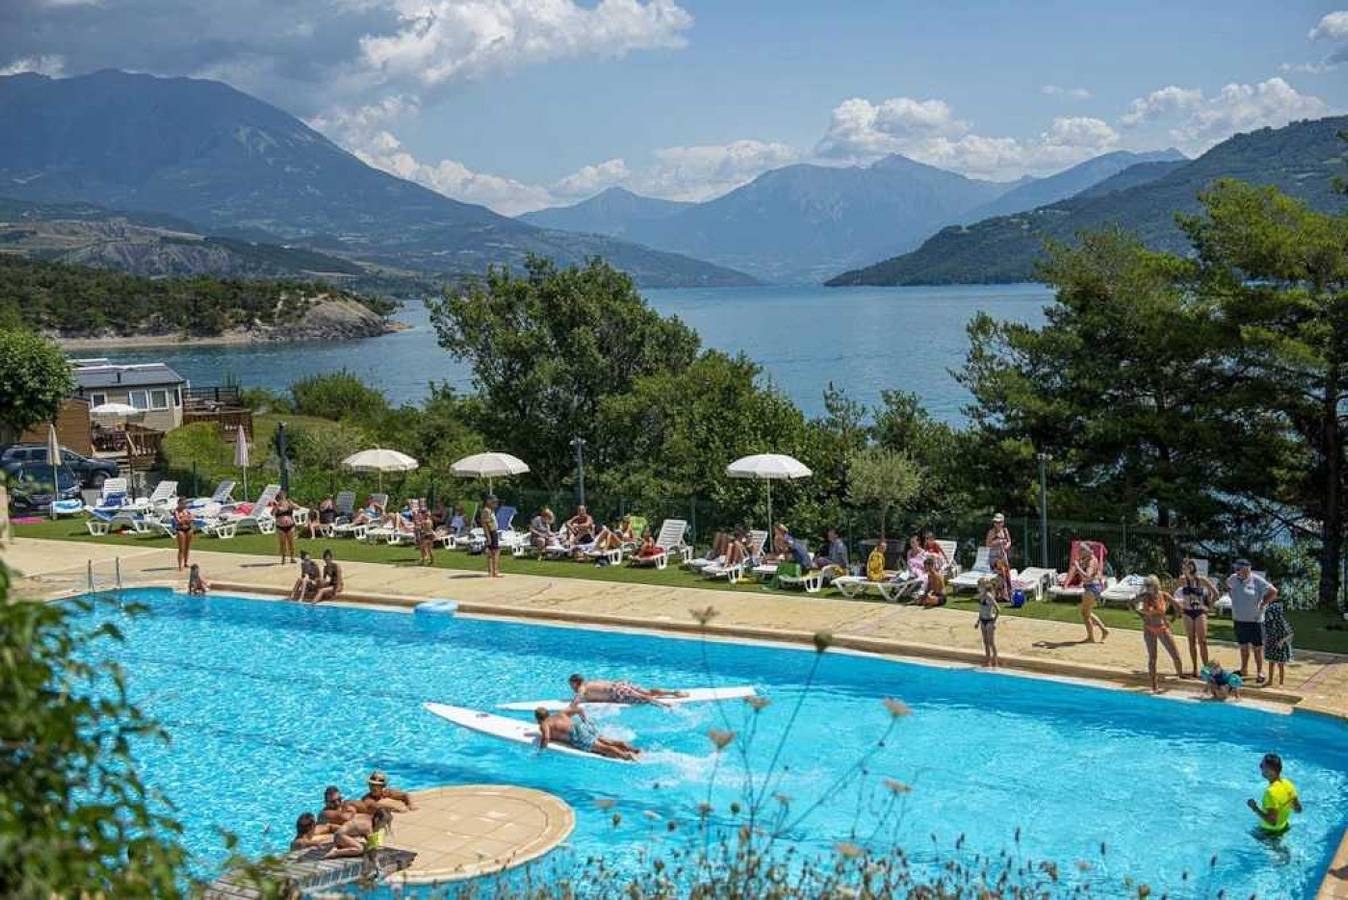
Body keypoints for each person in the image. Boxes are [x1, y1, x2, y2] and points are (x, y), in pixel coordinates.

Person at [1226, 559, 1277, 684]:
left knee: (1257, 648)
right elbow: (1228, 586)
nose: (1236, 570)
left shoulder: (1257, 580)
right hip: (1239, 619)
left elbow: (1273, 592)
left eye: (1239, 568)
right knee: (1243, 647)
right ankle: (1244, 669)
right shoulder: (1233, 579)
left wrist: (1264, 602)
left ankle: (1260, 671)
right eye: (1236, 568)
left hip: (1255, 620)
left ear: (1247, 568)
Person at [534, 705, 640, 760]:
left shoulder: (544, 724)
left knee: (603, 748)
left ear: (538, 719)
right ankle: (633, 749)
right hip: (582, 726)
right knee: (608, 741)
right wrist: (585, 720)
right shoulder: (560, 714)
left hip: (576, 733)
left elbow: (546, 738)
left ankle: (626, 756)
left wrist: (541, 751)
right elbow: (579, 709)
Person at [1134, 575, 1183, 693]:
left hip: (1162, 627)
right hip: (1149, 628)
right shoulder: (1145, 597)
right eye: (1146, 585)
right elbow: (1130, 603)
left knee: (1175, 655)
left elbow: (1178, 607)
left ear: (1155, 585)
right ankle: (1154, 685)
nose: (1147, 588)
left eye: (1149, 585)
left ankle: (1180, 675)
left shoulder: (1163, 595)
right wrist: (1141, 615)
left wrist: (1172, 619)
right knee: (1152, 658)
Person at [1174, 557, 1217, 677]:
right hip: (1187, 612)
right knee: (1191, 641)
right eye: (1183, 568)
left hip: (1199, 612)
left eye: (1186, 567)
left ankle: (1207, 669)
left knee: (1202, 641)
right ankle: (1194, 669)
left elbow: (1216, 593)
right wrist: (1178, 606)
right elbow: (1171, 593)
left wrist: (1209, 606)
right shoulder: (1182, 580)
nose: (1184, 570)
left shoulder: (1201, 580)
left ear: (1192, 567)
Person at [1247, 753, 1300, 835]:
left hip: (1269, 832)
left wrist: (1255, 808)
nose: (1260, 768)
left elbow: (1272, 822)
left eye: (1262, 766)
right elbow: (1298, 809)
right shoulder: (1288, 784)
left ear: (1270, 770)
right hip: (1284, 827)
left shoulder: (1270, 792)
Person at [1069, 542, 1109, 643]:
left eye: (1081, 551)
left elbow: (1087, 575)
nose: (1079, 553)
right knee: (1087, 612)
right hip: (1092, 587)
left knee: (1085, 613)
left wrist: (1078, 567)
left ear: (1085, 551)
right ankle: (1103, 630)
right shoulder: (1091, 558)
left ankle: (1092, 637)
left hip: (1091, 588)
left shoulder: (1091, 561)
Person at [569, 673, 688, 707]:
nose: (571, 688)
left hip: (617, 691)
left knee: (645, 698)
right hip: (620, 684)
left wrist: (571, 705)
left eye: (571, 685)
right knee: (648, 692)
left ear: (575, 683)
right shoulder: (591, 682)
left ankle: (666, 705)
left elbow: (578, 697)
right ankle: (674, 692)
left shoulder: (582, 687)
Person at [326, 807, 393, 859]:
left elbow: (370, 842)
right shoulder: (368, 827)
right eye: (384, 823)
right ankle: (336, 852)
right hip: (340, 836)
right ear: (377, 819)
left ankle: (340, 847)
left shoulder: (368, 819)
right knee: (360, 849)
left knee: (365, 846)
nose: (384, 826)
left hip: (342, 836)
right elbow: (372, 847)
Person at [1263, 590, 1294, 687]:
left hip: (1280, 646)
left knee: (1280, 665)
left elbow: (1289, 633)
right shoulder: (1269, 622)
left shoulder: (1282, 623)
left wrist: (1281, 641)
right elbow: (1265, 632)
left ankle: (1281, 682)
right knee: (1271, 663)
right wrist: (1265, 640)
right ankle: (1270, 680)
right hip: (1271, 643)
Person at [985, 513, 1013, 599]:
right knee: (1002, 572)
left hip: (1003, 556)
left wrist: (1006, 546)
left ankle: (1007, 594)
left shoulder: (1005, 531)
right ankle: (1002, 594)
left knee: (1007, 574)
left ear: (1002, 523)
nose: (996, 524)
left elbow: (1009, 541)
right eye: (995, 522)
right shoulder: (991, 532)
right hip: (994, 558)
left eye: (999, 522)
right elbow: (988, 544)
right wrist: (998, 542)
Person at [975, 575, 1000, 667]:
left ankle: (995, 660)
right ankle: (987, 660)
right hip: (982, 621)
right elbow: (981, 610)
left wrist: (994, 622)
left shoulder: (989, 596)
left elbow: (998, 609)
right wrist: (978, 621)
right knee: (985, 642)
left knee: (991, 642)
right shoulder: (981, 596)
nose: (978, 588)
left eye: (979, 586)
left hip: (989, 621)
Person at [272, 490, 297, 564]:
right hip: (280, 526)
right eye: (280, 495)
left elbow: (298, 508)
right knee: (282, 543)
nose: (282, 496)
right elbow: (272, 513)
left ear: (285, 495)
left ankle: (292, 557)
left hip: (290, 525)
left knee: (291, 542)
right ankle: (283, 557)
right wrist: (276, 507)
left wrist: (292, 504)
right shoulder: (277, 505)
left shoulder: (289, 503)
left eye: (283, 495)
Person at [480, 495, 502, 578]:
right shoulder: (486, 511)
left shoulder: (490, 510)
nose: (495, 504)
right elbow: (484, 524)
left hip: (493, 532)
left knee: (492, 552)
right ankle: (494, 571)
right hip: (491, 532)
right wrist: (488, 537)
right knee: (495, 552)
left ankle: (492, 571)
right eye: (494, 502)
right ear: (488, 502)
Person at [172, 497, 194, 572]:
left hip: (188, 529)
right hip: (180, 530)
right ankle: (180, 565)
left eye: (185, 503)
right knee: (181, 548)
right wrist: (186, 519)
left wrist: (186, 519)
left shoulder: (186, 510)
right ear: (179, 503)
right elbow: (179, 521)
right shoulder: (176, 511)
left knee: (187, 547)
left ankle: (186, 563)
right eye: (183, 503)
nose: (184, 505)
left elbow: (192, 517)